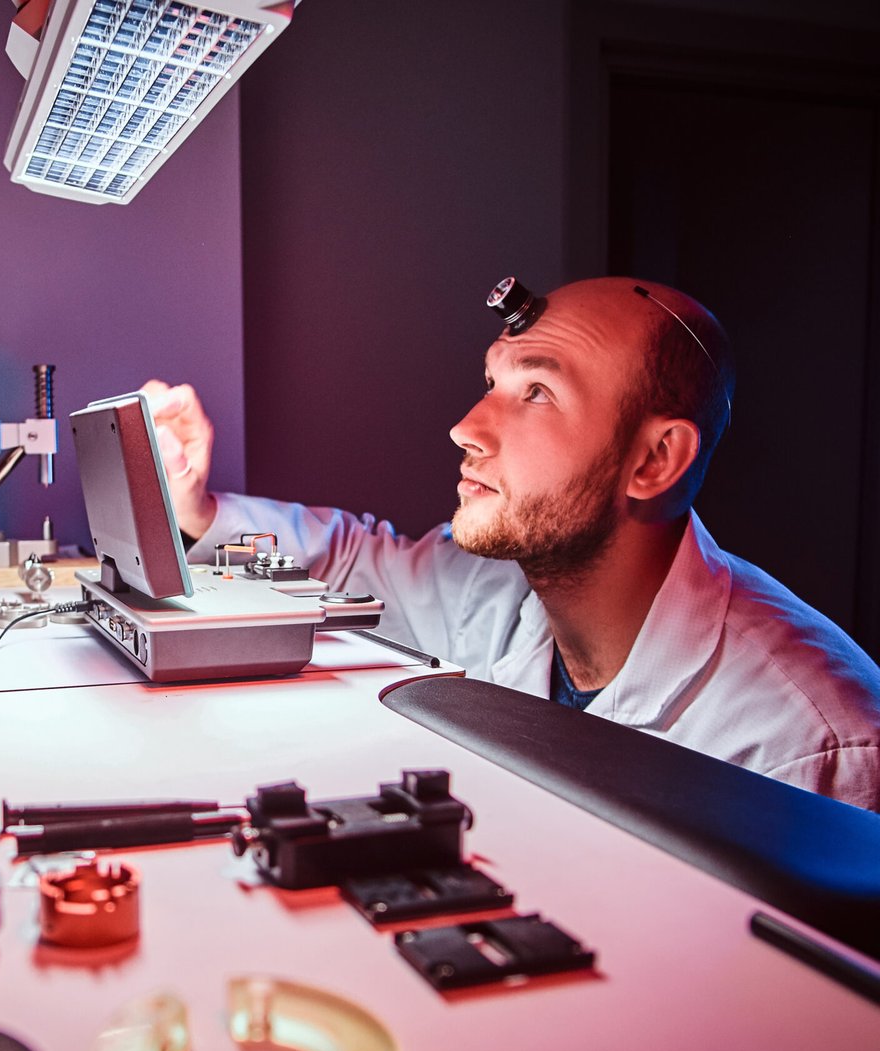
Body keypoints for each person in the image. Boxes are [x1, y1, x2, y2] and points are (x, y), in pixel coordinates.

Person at [143, 276, 880, 812]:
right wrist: (196, 506)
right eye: (492, 382)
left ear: (655, 460)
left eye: (535, 393)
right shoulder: (491, 588)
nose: (467, 426)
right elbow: (354, 560)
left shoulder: (812, 748)